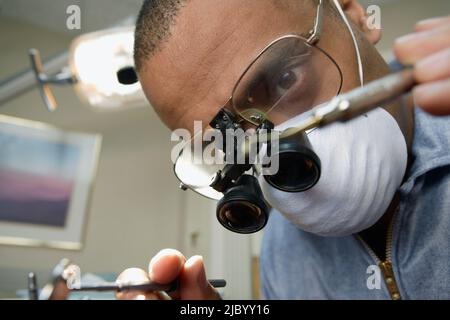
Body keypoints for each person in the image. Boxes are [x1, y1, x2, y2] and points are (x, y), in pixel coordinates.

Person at [116, 0, 450, 299]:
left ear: (354, 16)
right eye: (225, 141)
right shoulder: (282, 254)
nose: (271, 153)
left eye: (285, 79)